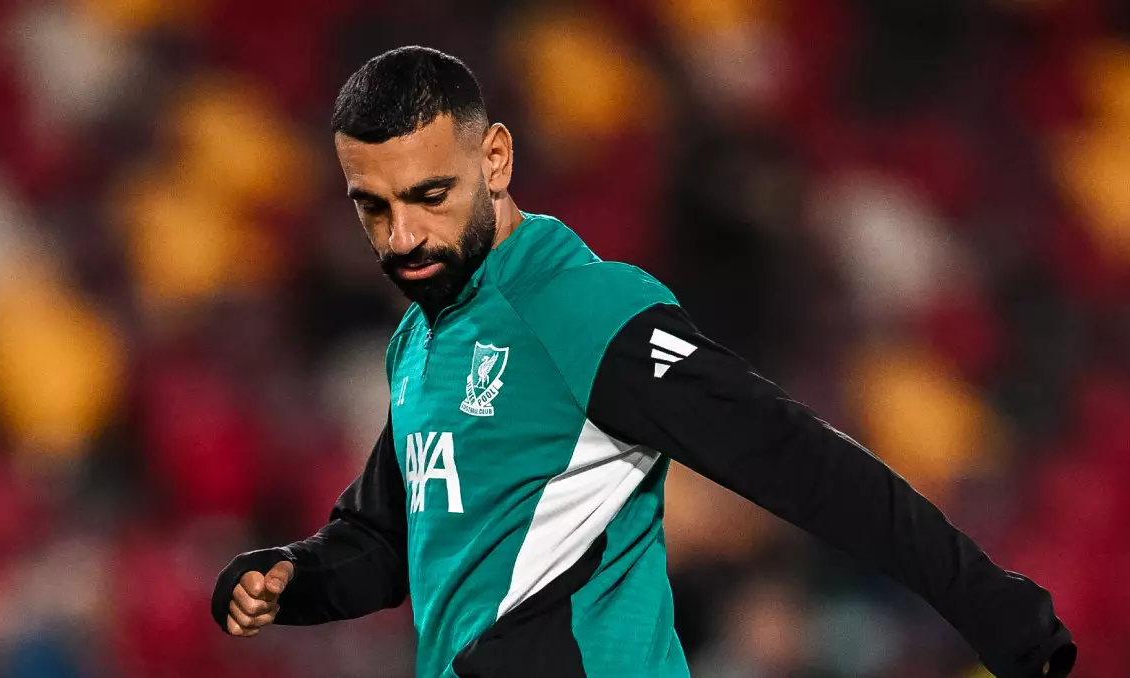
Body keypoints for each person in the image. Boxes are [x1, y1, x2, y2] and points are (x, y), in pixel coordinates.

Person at [210, 46, 1075, 678]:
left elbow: (797, 458)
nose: (402, 236)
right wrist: (288, 580)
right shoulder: (420, 339)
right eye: (373, 208)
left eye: (429, 196)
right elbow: (386, 540)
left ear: (495, 158)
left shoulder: (580, 309)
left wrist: (985, 600)